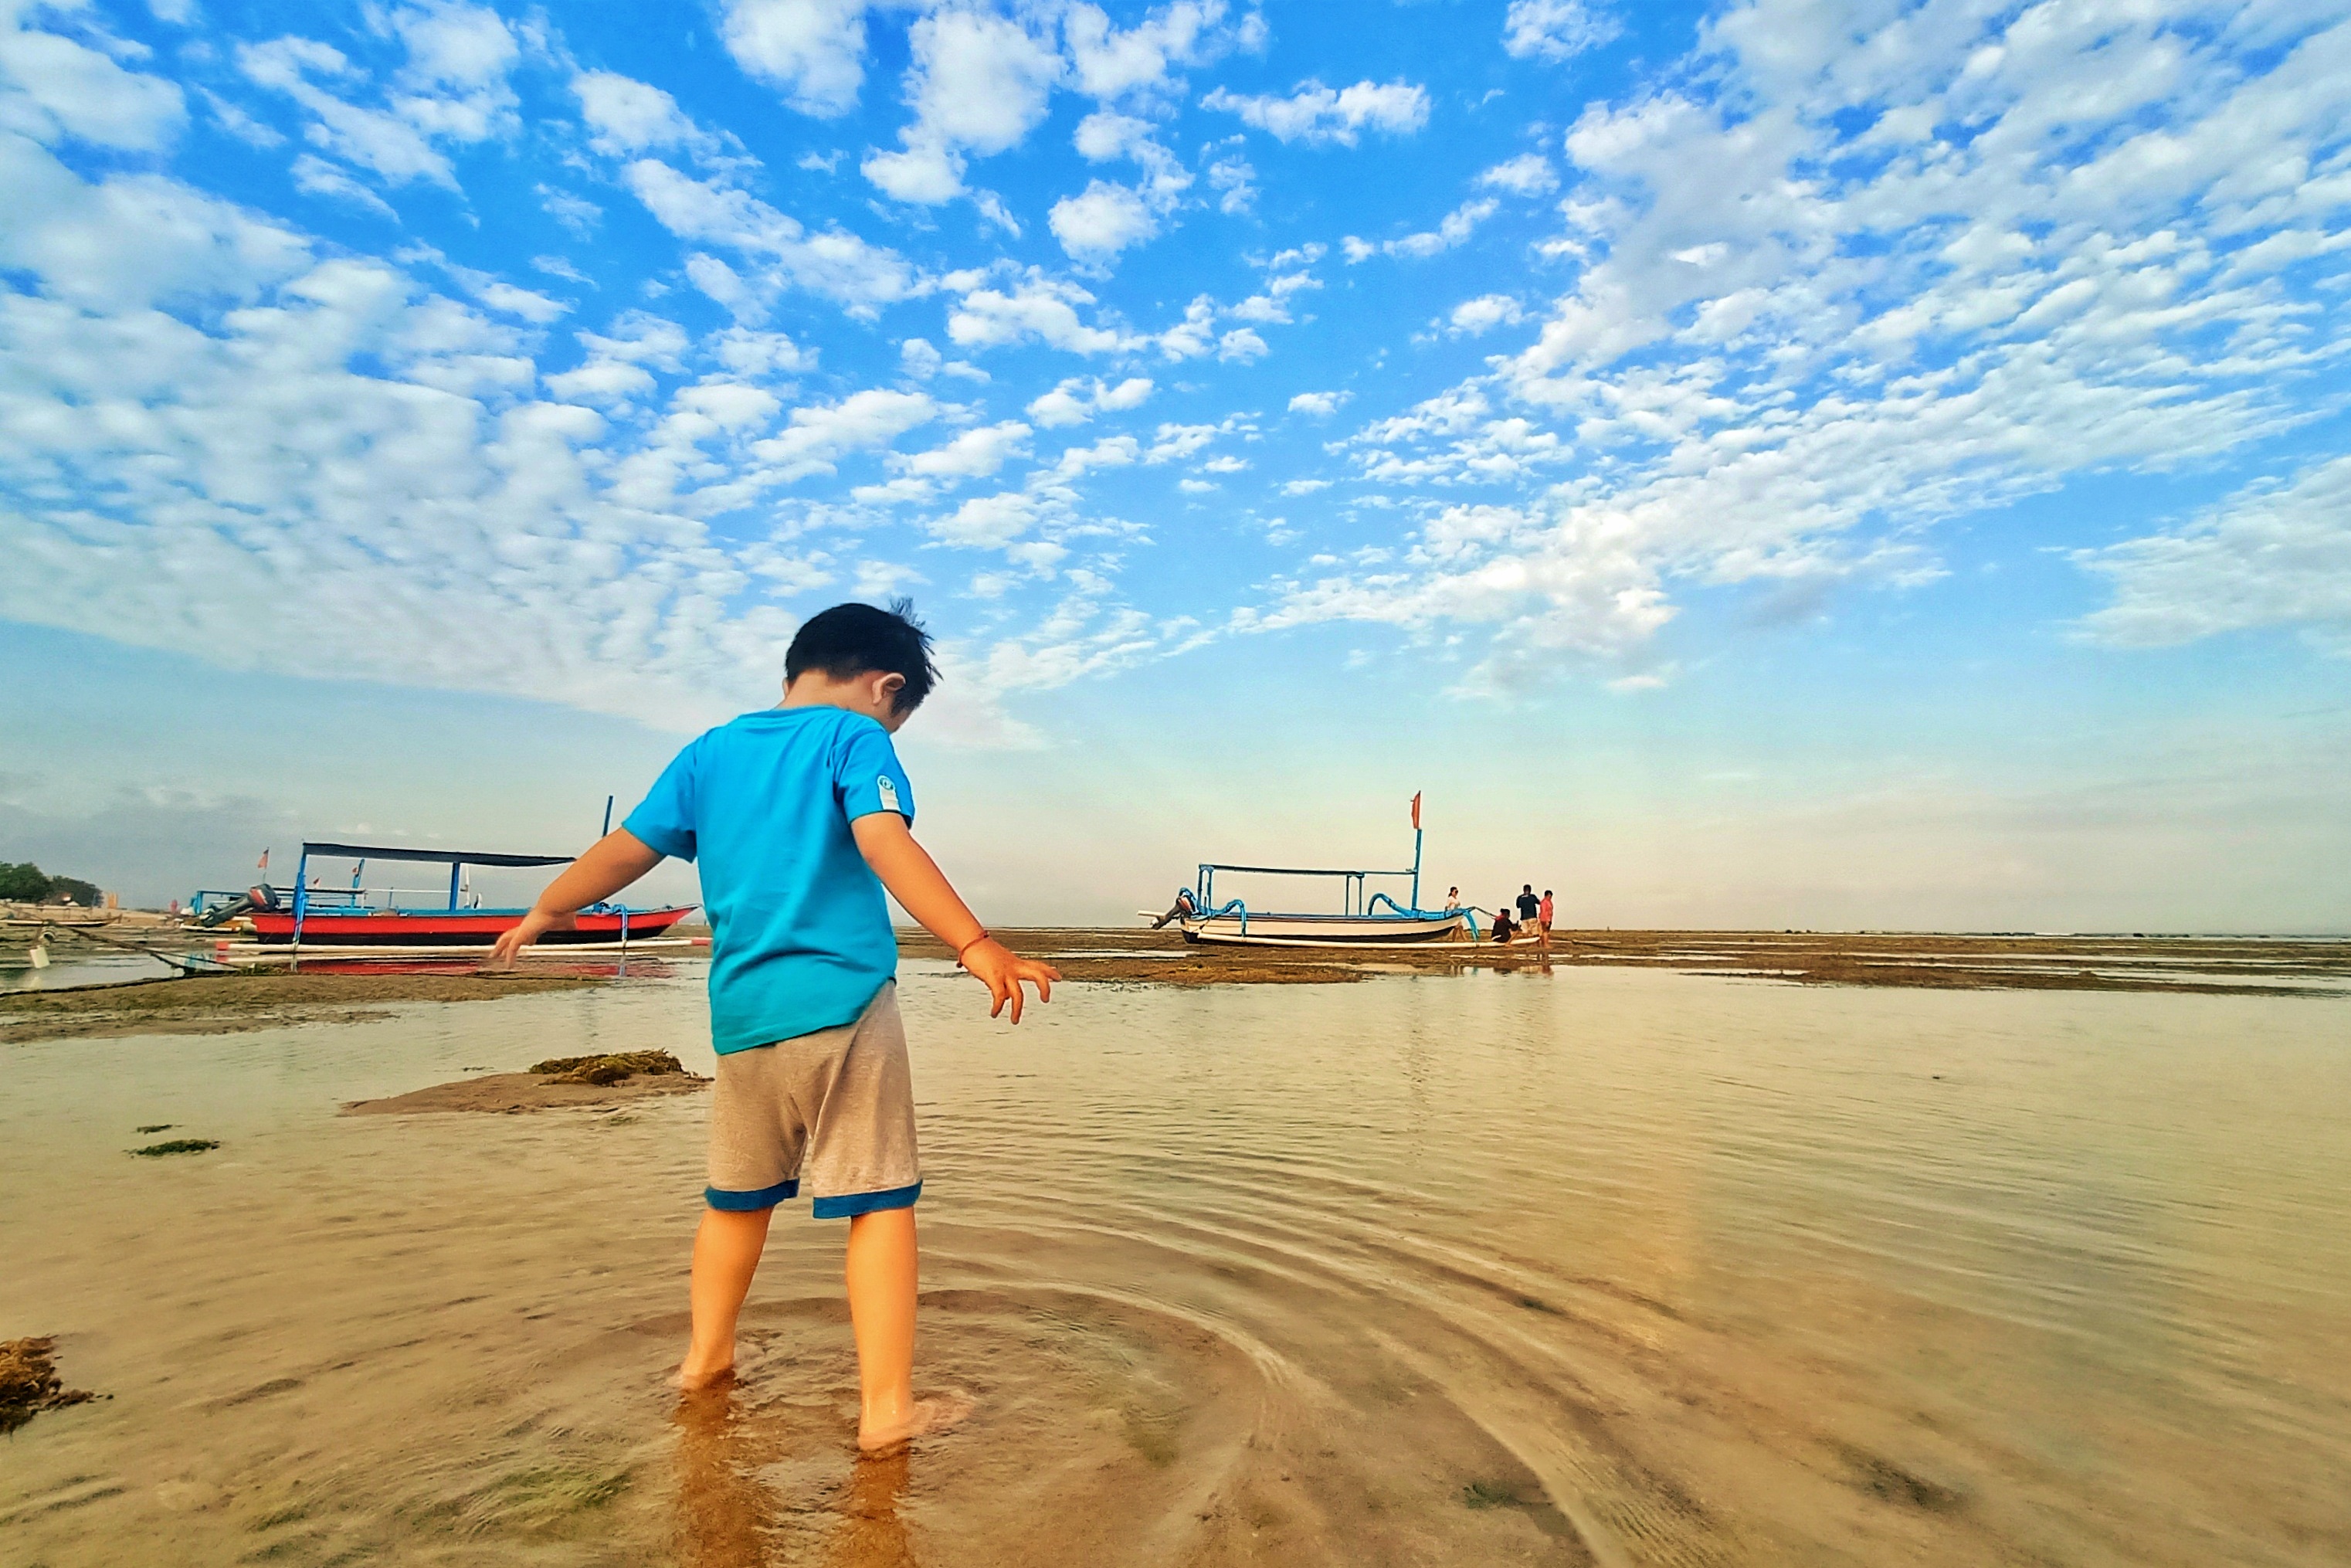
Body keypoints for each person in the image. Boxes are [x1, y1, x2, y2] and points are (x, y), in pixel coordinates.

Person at [487, 599, 1060, 1452]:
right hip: (843, 1004)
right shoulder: (853, 736)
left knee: (736, 1202)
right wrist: (972, 941)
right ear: (885, 686)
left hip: (743, 1019)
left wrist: (545, 906)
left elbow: (626, 848)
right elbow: (882, 840)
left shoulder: (710, 752)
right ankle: (887, 1412)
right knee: (879, 1202)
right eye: (896, 711)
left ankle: (702, 1363)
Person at [1537, 888, 1555, 955]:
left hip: (1546, 918)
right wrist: (1547, 920)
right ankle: (1545, 944)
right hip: (1545, 919)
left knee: (1545, 931)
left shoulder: (1546, 902)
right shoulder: (1545, 902)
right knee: (1545, 931)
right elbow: (1545, 911)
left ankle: (1544, 943)